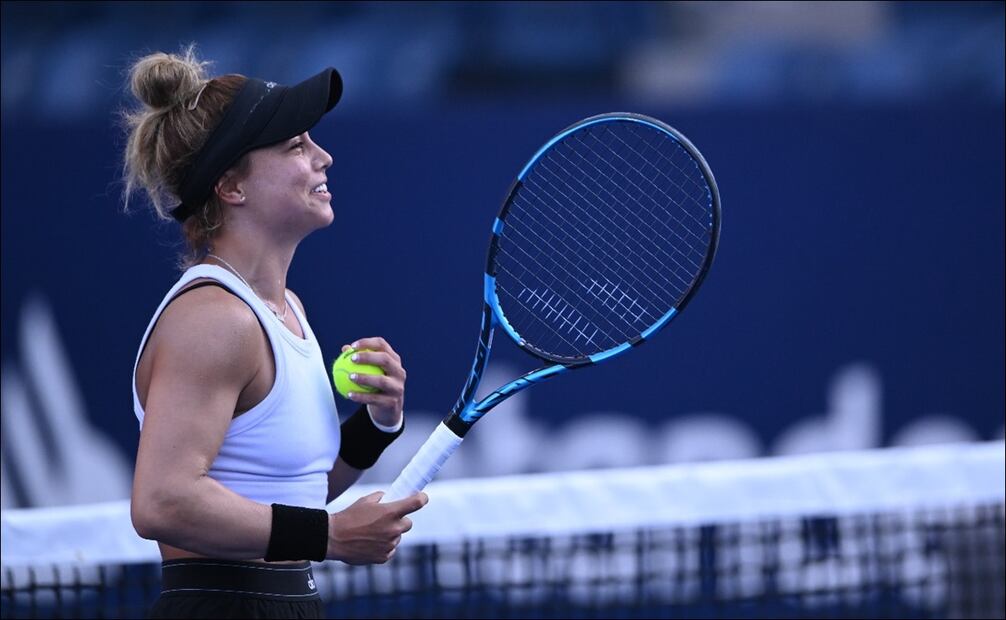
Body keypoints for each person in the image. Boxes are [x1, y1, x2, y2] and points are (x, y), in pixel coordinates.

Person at [121, 46, 427, 619]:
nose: (324, 157)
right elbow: (161, 503)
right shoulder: (215, 319)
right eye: (296, 146)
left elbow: (296, 492)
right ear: (231, 187)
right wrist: (331, 535)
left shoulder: (287, 309)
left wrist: (378, 425)